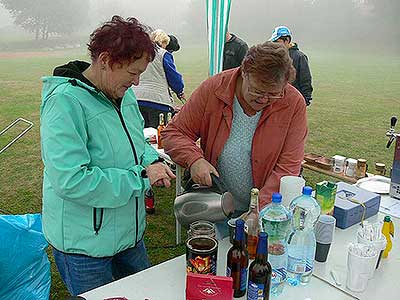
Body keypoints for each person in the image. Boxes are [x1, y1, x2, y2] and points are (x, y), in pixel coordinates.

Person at [40, 16, 175, 296]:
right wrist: (141, 178)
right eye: (132, 73)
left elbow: (137, 140)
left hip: (128, 236)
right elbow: (72, 180)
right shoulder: (65, 102)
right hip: (85, 247)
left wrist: (151, 160)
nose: (137, 82)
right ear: (105, 60)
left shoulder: (122, 95)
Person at [162, 42, 307, 224]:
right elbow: (174, 133)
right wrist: (194, 160)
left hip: (269, 209)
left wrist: (257, 209)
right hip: (218, 204)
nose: (264, 99)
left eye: (273, 94)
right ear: (243, 72)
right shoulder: (214, 89)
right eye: (257, 91)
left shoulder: (293, 103)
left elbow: (288, 167)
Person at [133, 29, 186, 128]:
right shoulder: (163, 54)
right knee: (158, 136)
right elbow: (174, 77)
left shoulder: (138, 53)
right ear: (163, 42)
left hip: (136, 100)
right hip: (158, 103)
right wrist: (180, 91)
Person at [270, 25, 313, 106]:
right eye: (274, 42)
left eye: (277, 42)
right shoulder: (274, 56)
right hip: (276, 99)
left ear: (287, 40)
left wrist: (306, 99)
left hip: (293, 100)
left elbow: (305, 79)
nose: (275, 45)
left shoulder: (300, 57)